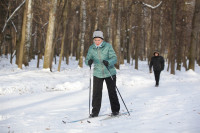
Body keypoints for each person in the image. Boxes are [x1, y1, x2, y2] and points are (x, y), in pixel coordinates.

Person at [85, 29, 120, 117]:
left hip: (109, 72)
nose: (97, 42)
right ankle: (95, 112)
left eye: (99, 40)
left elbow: (114, 58)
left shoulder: (108, 46)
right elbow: (87, 60)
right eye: (95, 40)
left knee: (112, 91)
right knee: (96, 93)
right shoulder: (91, 48)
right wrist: (88, 62)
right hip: (97, 73)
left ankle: (115, 110)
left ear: (102, 40)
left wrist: (108, 62)